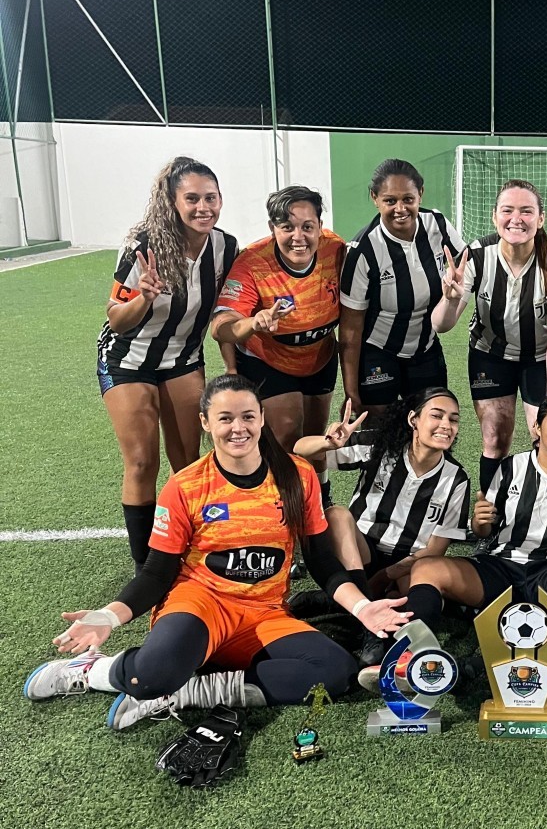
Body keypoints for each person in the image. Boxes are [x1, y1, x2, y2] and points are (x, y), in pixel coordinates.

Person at [23, 376, 411, 729]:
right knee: (150, 676)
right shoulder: (186, 486)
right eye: (225, 418)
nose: (238, 428)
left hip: (263, 614)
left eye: (247, 417)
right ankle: (92, 670)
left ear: (262, 419)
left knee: (335, 672)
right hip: (200, 605)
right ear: (206, 423)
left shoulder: (298, 476)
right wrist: (108, 616)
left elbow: (322, 562)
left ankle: (188, 692)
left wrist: (363, 607)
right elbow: (156, 573)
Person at [357, 391, 547, 686]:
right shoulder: (511, 468)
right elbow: (484, 532)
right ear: (537, 427)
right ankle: (407, 655)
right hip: (501, 567)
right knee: (426, 568)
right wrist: (480, 522)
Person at [96, 156, 238, 572]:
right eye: (192, 199)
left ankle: (189, 549)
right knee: (142, 461)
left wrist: (231, 368)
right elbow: (116, 319)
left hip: (183, 359)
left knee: (189, 462)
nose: (203, 207)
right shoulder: (143, 246)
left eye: (210, 198)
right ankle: (147, 568)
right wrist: (144, 297)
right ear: (172, 202)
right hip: (129, 359)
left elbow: (227, 313)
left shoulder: (226, 247)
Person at [292, 388, 471, 665]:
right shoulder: (380, 445)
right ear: (413, 419)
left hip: (407, 565)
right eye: (436, 416)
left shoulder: (456, 479)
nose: (446, 425)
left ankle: (332, 601)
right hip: (360, 553)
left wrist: (386, 575)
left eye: (453, 419)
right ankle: (369, 629)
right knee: (337, 515)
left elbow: (435, 550)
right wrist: (327, 443)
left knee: (420, 595)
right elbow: (299, 450)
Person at [431, 180, 547, 490]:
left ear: (541, 219)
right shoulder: (476, 255)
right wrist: (450, 299)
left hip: (540, 359)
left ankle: (544, 510)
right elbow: (441, 325)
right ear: (494, 216)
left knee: (545, 437)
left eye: (527, 211)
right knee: (495, 438)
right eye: (508, 210)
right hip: (491, 355)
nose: (516, 219)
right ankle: (491, 510)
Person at [210, 186, 345, 455]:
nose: (298, 237)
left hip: (320, 356)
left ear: (320, 226)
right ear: (273, 228)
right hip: (268, 360)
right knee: (287, 435)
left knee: (318, 440)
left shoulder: (336, 249)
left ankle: (318, 484)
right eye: (287, 227)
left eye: (307, 227)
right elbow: (221, 326)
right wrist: (253, 323)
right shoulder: (252, 262)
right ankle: (282, 483)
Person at [339, 159, 464, 416]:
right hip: (378, 351)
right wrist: (351, 391)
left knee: (431, 422)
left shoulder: (437, 224)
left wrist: (452, 302)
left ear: (421, 194)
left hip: (425, 348)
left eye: (408, 199)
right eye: (390, 200)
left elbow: (466, 266)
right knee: (377, 429)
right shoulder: (363, 251)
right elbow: (350, 329)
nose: (400, 209)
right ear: (375, 198)